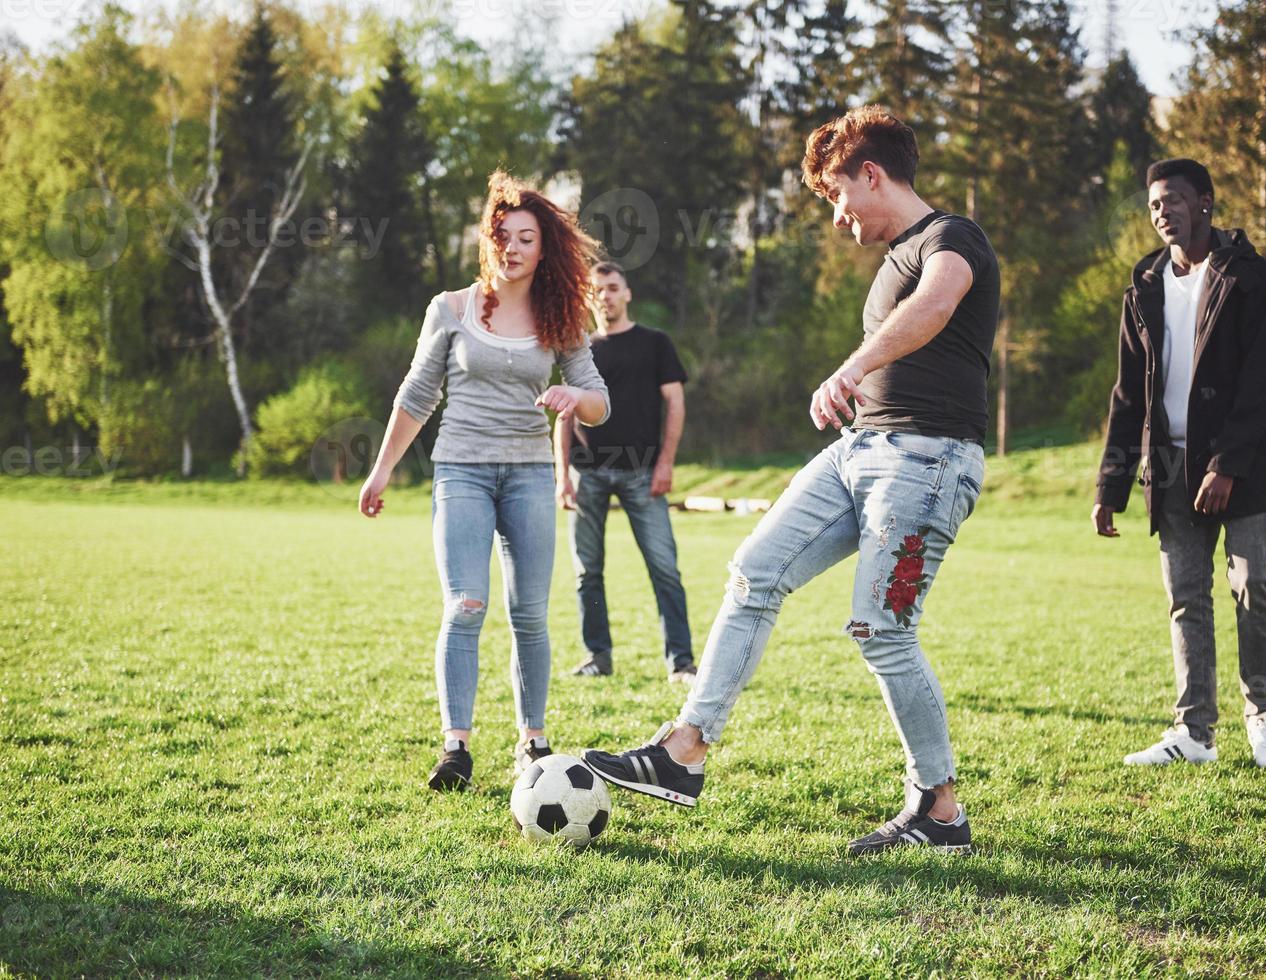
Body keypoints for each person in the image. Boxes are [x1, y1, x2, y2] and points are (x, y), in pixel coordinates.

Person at [583, 106, 1000, 856]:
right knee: (752, 572)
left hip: (926, 460)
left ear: (870, 174)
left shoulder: (950, 237)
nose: (837, 217)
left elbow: (936, 305)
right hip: (857, 450)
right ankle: (683, 752)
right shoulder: (892, 258)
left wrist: (851, 366)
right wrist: (857, 384)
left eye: (837, 196)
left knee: (881, 628)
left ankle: (939, 810)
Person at [358, 171, 611, 792]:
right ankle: (456, 748)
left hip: (529, 474)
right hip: (461, 471)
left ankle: (532, 742)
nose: (514, 247)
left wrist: (572, 395)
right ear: (486, 241)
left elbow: (601, 403)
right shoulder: (449, 308)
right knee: (464, 604)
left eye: (526, 237)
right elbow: (418, 393)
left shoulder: (563, 317)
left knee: (528, 612)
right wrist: (382, 468)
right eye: (502, 235)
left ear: (544, 247)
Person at [1091, 158, 1266, 770]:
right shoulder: (1144, 284)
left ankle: (1263, 719)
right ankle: (1194, 733)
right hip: (1168, 467)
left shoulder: (1247, 276)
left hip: (1245, 466)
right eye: (1154, 204)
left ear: (1205, 202)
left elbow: (1261, 384)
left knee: (1252, 586)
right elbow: (1129, 394)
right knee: (1185, 596)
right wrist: (1111, 484)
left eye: (1174, 199)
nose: (1162, 211)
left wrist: (1226, 464)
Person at [554, 261, 697, 685]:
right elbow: (563, 414)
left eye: (613, 288)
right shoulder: (578, 349)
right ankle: (598, 656)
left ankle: (681, 662)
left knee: (664, 567)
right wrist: (562, 476)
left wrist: (666, 462)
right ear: (587, 297)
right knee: (587, 570)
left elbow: (675, 403)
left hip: (642, 473)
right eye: (597, 290)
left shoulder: (654, 343)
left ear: (627, 293)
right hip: (588, 475)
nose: (606, 296)